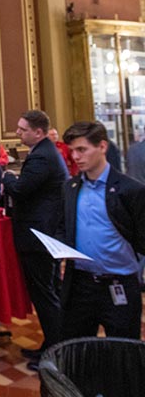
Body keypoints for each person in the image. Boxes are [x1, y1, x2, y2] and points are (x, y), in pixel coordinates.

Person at [59, 121, 145, 340]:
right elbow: (64, 227)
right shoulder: (71, 188)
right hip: (80, 285)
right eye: (72, 151)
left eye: (82, 149)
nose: (75, 157)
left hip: (120, 284)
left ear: (102, 147)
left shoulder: (131, 190)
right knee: (80, 350)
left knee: (122, 353)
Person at [1, 109, 69, 367]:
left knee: (45, 296)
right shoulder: (45, 153)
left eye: (22, 129)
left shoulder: (41, 157)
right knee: (48, 293)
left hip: (38, 237)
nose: (17, 133)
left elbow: (20, 189)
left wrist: (7, 176)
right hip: (44, 234)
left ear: (38, 132)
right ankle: (52, 344)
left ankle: (54, 352)